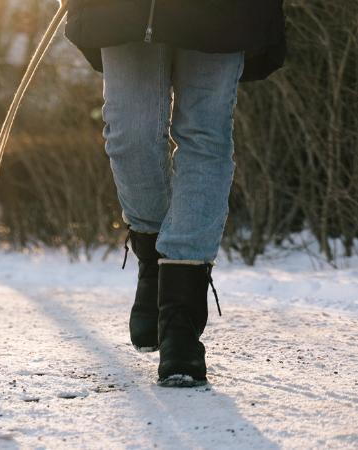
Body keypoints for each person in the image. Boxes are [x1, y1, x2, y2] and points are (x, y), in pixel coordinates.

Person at [64, 0, 286, 387]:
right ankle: (152, 260)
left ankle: (181, 322)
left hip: (223, 12)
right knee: (130, 136)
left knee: (206, 136)